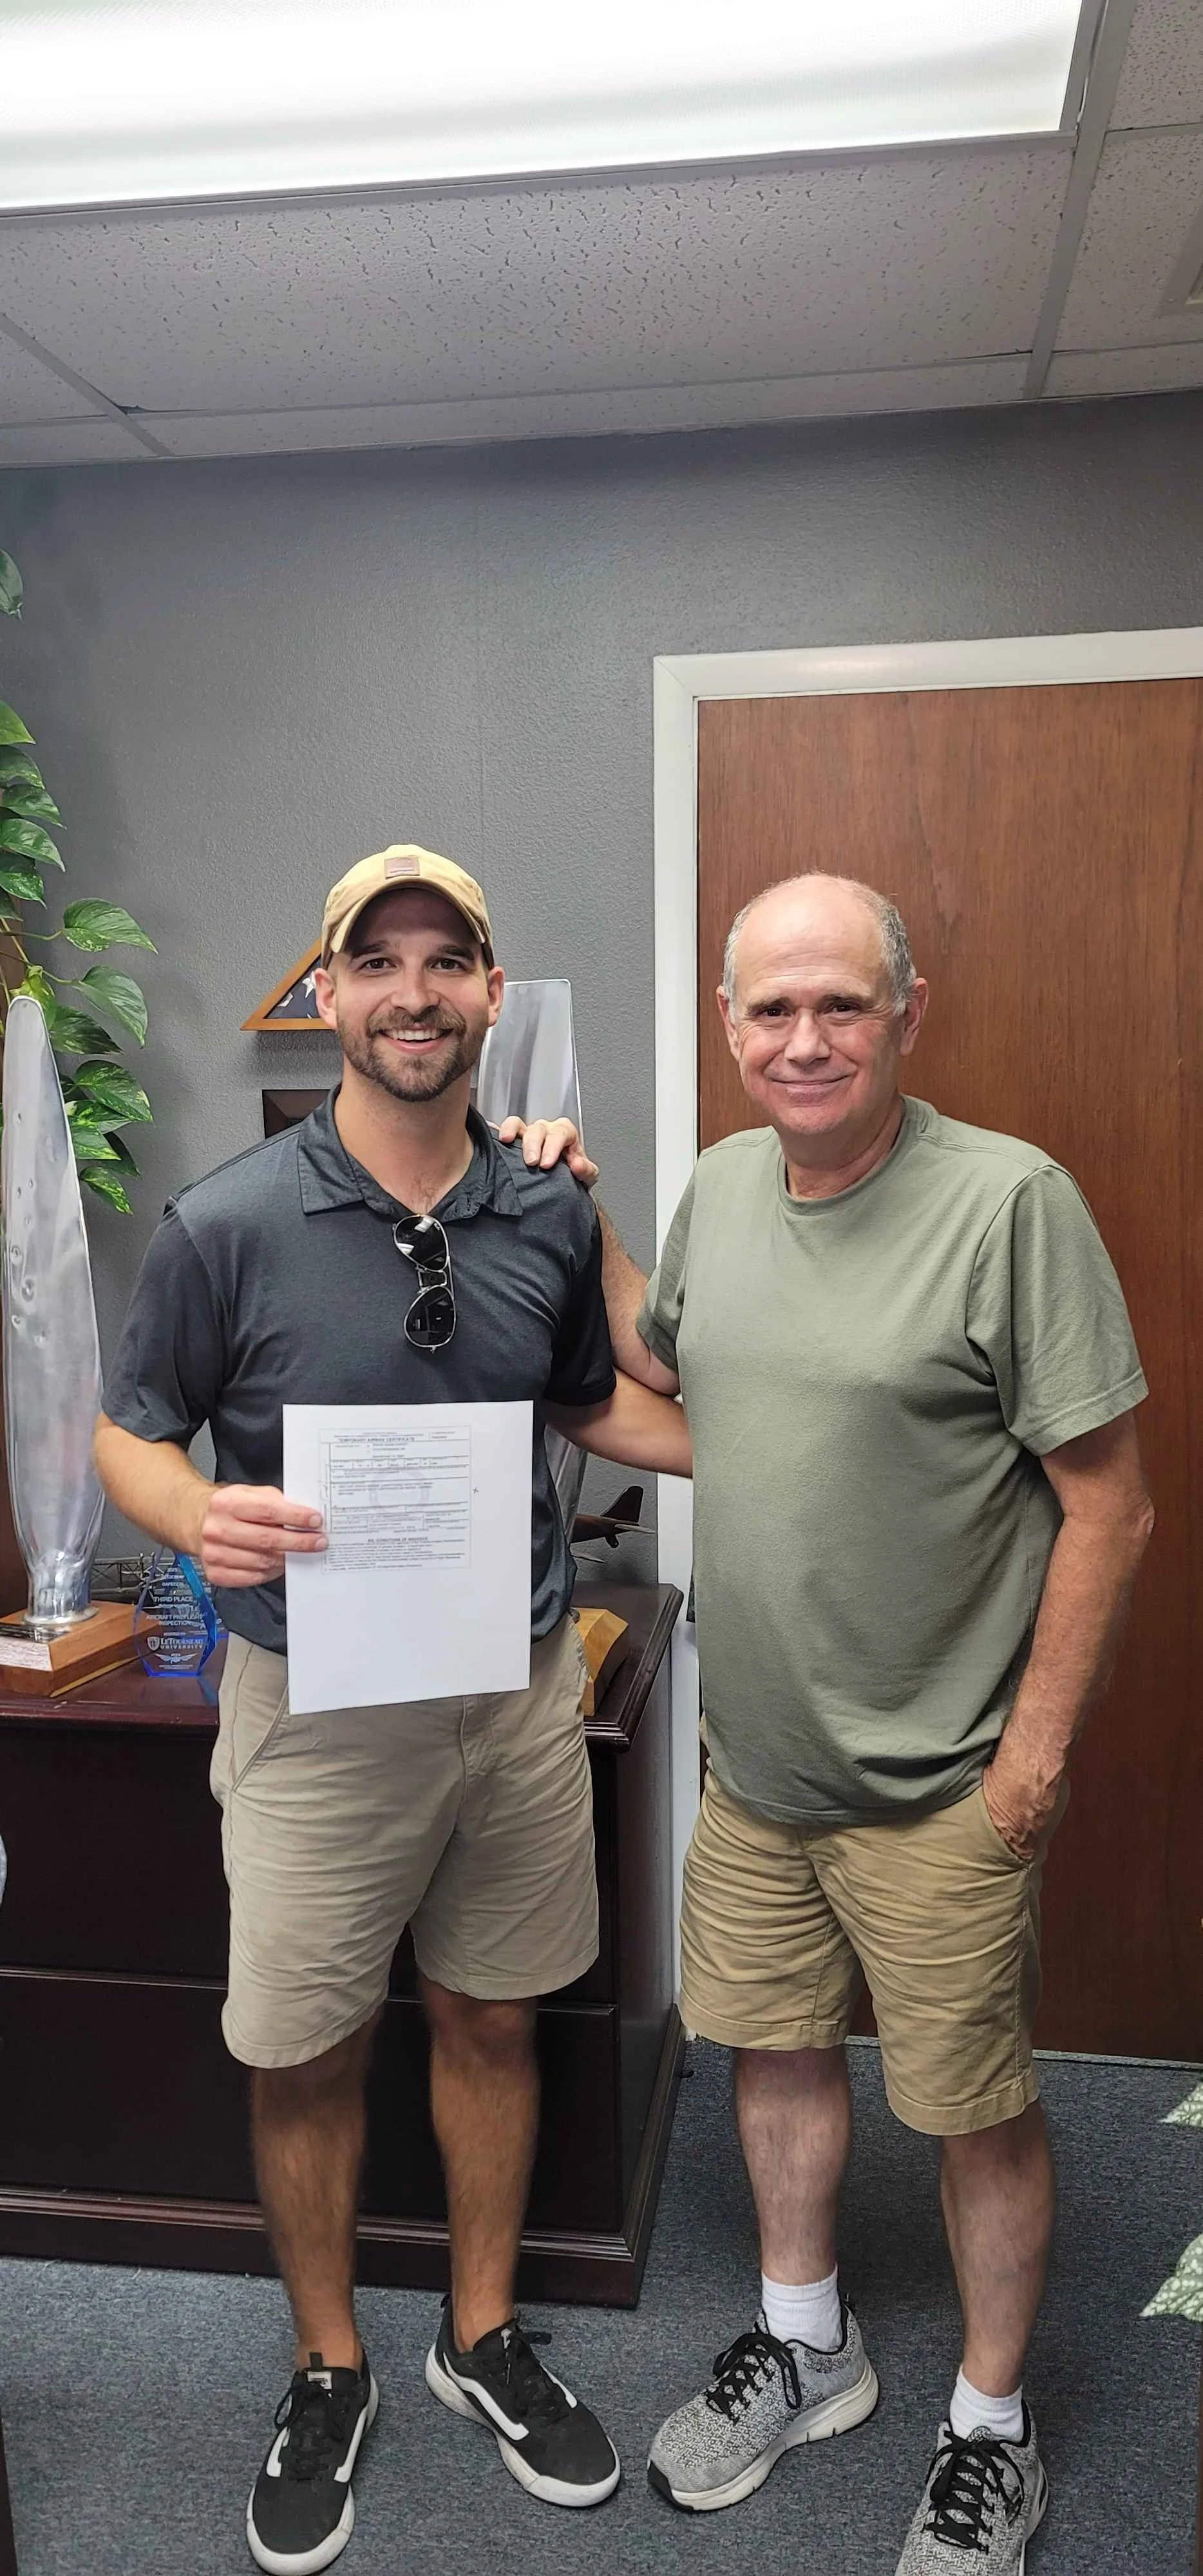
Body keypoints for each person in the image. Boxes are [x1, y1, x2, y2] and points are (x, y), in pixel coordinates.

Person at [513, 871, 1153, 2574]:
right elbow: (691, 1391)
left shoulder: (1008, 1204)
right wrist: (569, 1241)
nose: (803, 1038)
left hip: (944, 1789)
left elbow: (1110, 1507)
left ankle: (989, 2431)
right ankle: (812, 2349)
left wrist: (1031, 1758)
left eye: (838, 1004)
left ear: (903, 1015)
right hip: (759, 1774)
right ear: (728, 1031)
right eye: (769, 1010)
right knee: (776, 2061)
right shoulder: (727, 1187)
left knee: (968, 2110)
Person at [95, 844, 692, 2576]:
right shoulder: (227, 1222)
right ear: (330, 994)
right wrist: (185, 1513)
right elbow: (132, 1426)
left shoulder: (544, 1209)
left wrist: (607, 1224)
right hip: (312, 1704)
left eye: (451, 963)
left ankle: (479, 2335)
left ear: (490, 997)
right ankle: (330, 2357)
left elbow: (621, 1398)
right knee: (308, 2044)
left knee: (497, 2017)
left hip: (507, 1699)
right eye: (381, 962)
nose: (416, 993)